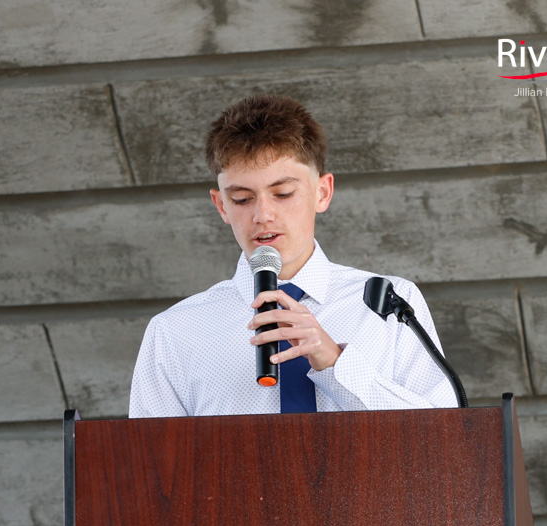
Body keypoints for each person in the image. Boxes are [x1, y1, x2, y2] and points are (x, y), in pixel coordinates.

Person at [129, 94, 459, 418]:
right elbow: (153, 468)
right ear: (221, 206)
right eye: (242, 199)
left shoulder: (390, 305)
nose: (263, 215)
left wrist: (335, 363)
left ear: (323, 192)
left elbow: (443, 441)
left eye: (283, 194)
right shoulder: (174, 332)